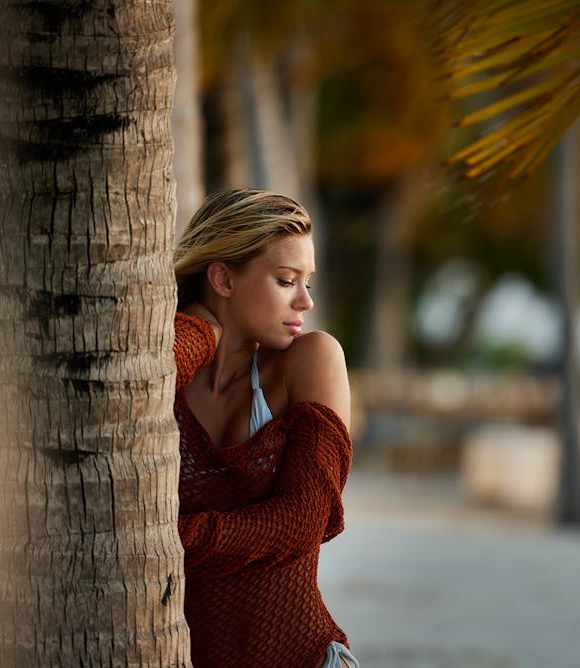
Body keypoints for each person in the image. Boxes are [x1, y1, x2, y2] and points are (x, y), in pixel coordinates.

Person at [171, 188, 359, 668]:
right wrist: (199, 333)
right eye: (285, 280)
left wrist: (168, 538)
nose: (305, 301)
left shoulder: (310, 361)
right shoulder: (165, 373)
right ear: (222, 278)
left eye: (307, 282)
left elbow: (301, 522)